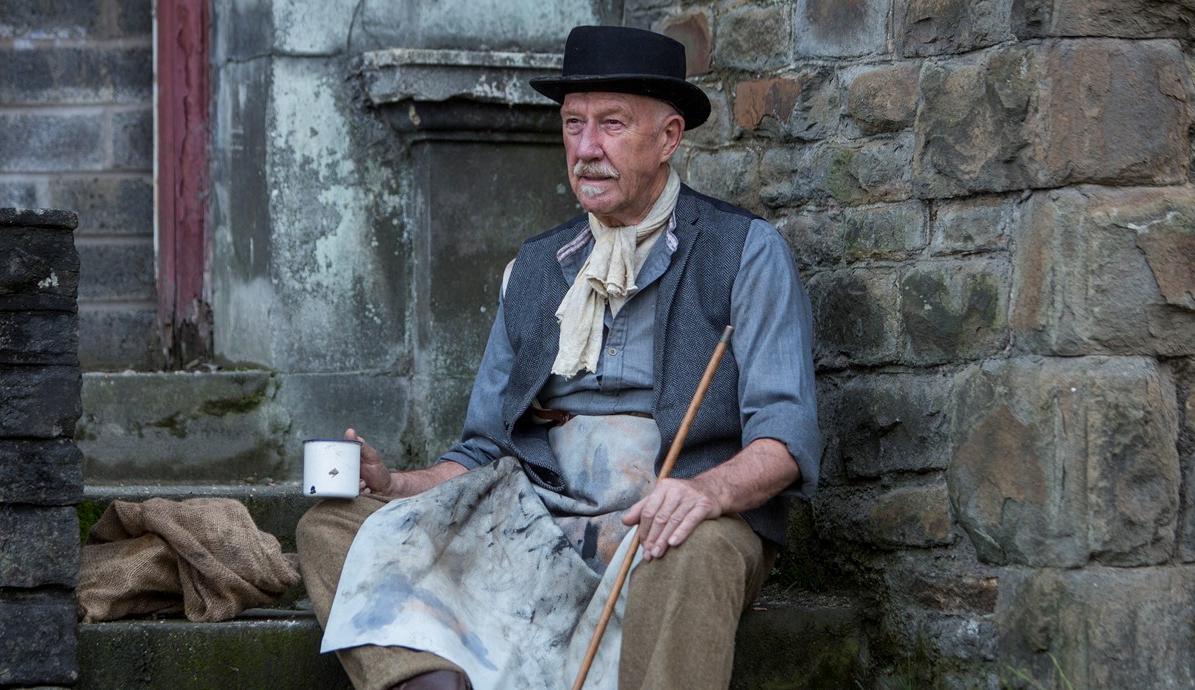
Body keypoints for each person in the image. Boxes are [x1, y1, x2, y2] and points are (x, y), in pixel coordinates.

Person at [296, 25, 819, 690]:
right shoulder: (536, 268)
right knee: (332, 526)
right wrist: (394, 484)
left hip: (669, 525)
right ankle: (424, 679)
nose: (587, 148)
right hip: (536, 525)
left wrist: (705, 491)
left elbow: (786, 439)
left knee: (693, 543)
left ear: (668, 137)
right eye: (573, 125)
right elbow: (484, 451)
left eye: (611, 124)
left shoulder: (744, 252)